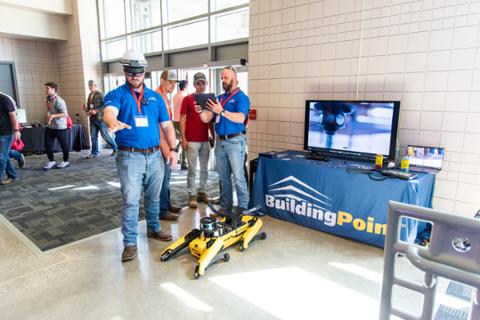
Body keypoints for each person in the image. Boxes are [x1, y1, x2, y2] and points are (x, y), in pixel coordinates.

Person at [103, 49, 178, 262]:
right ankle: (129, 242)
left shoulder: (155, 98)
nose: (134, 76)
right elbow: (110, 111)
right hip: (130, 158)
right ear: (124, 72)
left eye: (138, 72)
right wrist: (111, 121)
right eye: (129, 72)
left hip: (155, 156)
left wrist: (172, 149)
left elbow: (167, 126)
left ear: (145, 71)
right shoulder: (117, 94)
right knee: (131, 201)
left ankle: (153, 228)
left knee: (154, 197)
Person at [196, 66, 250, 212]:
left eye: (226, 78)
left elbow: (240, 118)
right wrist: (201, 112)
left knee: (238, 177)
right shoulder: (219, 98)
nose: (223, 81)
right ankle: (225, 207)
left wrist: (223, 111)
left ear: (235, 79)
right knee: (223, 177)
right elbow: (208, 117)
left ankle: (244, 207)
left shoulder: (241, 97)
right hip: (220, 141)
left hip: (235, 141)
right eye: (222, 78)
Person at [180, 72, 215, 208]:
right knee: (192, 169)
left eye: (203, 83)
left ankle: (202, 191)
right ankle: (192, 194)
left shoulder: (209, 99)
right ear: (194, 84)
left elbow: (210, 120)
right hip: (192, 140)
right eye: (198, 83)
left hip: (205, 139)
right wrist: (183, 138)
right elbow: (182, 118)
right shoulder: (188, 99)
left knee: (205, 168)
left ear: (206, 84)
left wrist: (213, 136)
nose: (201, 86)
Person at [156, 70, 183, 221]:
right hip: (161, 146)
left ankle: (166, 204)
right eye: (170, 82)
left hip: (167, 144)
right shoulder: (157, 97)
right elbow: (158, 128)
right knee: (163, 178)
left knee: (167, 176)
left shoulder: (165, 97)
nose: (173, 85)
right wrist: (167, 150)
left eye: (175, 82)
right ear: (162, 81)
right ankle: (162, 210)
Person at [85, 80, 118, 158]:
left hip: (101, 119)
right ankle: (94, 152)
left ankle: (115, 148)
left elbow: (105, 105)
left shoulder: (100, 94)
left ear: (95, 86)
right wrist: (88, 111)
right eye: (89, 85)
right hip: (92, 119)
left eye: (91, 85)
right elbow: (88, 106)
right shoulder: (89, 95)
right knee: (93, 136)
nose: (90, 87)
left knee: (105, 135)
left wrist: (96, 110)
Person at [43, 82, 70, 170]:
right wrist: (48, 117)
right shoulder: (48, 99)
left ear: (53, 89)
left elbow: (65, 114)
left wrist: (53, 116)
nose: (46, 90)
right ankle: (51, 161)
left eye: (47, 88)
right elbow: (49, 110)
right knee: (47, 145)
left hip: (60, 127)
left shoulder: (59, 101)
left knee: (63, 145)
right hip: (50, 127)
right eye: (46, 88)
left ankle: (66, 161)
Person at [0, 92, 20, 185]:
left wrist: (16, 130)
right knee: (4, 156)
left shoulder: (4, 99)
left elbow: (13, 115)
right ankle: (12, 176)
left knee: (1, 157)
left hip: (6, 133)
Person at [172, 80, 188, 169]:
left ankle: (178, 154)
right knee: (185, 141)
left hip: (175, 121)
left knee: (181, 140)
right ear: (185, 87)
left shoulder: (175, 96)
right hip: (183, 121)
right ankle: (184, 162)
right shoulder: (184, 96)